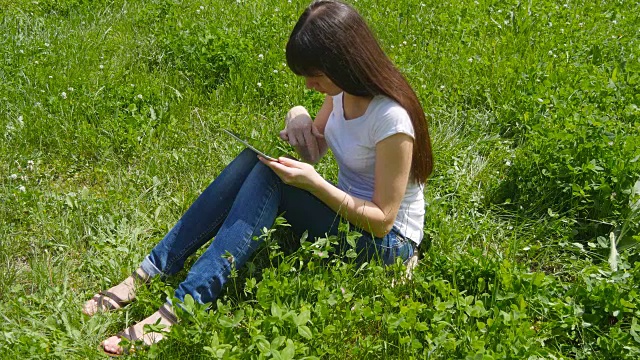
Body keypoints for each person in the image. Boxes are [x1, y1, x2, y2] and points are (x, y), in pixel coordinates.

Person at [85, 0, 433, 355]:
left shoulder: (391, 119)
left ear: (344, 63)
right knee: (255, 160)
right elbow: (313, 151)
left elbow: (382, 223)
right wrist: (297, 116)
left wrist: (314, 183)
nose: (311, 84)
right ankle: (148, 271)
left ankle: (179, 309)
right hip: (348, 218)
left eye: (316, 75)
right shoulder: (341, 92)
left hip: (388, 246)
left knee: (272, 180)